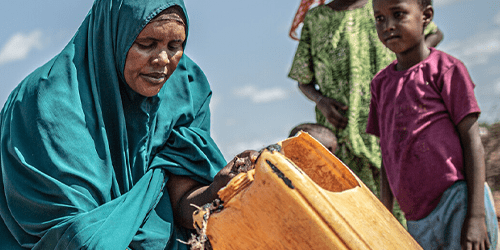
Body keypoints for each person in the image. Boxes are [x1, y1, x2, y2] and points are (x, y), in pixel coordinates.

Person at [0, 0, 257, 249]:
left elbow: (181, 203)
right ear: (112, 36)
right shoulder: (51, 101)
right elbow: (80, 237)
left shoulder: (186, 90)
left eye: (175, 45)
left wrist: (218, 189)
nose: (163, 60)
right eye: (147, 44)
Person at [366, 0, 499, 248]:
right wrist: (384, 212)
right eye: (380, 18)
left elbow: (472, 142)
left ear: (426, 16)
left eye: (398, 14)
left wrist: (476, 216)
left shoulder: (446, 70)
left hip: (457, 202)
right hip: (415, 216)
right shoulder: (380, 85)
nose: (388, 26)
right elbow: (388, 154)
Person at [288, 0, 443, 198]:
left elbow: (434, 34)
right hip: (341, 132)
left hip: (394, 122)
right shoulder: (316, 19)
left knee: (402, 202)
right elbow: (303, 80)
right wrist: (321, 101)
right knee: (354, 202)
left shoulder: (384, 8)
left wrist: (409, 62)